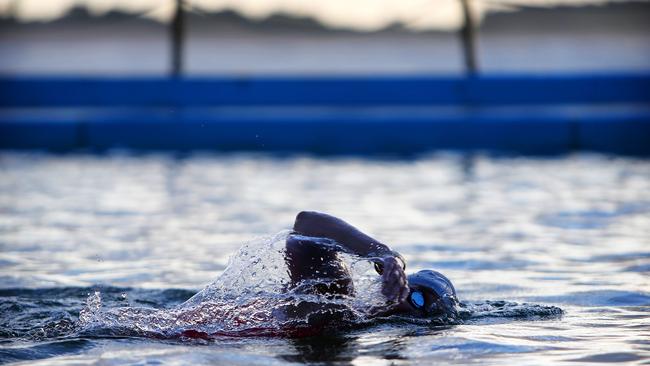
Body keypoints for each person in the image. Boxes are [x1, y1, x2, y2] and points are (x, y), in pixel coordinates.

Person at [284, 211, 460, 326]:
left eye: (419, 301)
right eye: (408, 291)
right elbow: (306, 222)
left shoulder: (348, 333)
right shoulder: (336, 295)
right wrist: (385, 255)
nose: (403, 301)